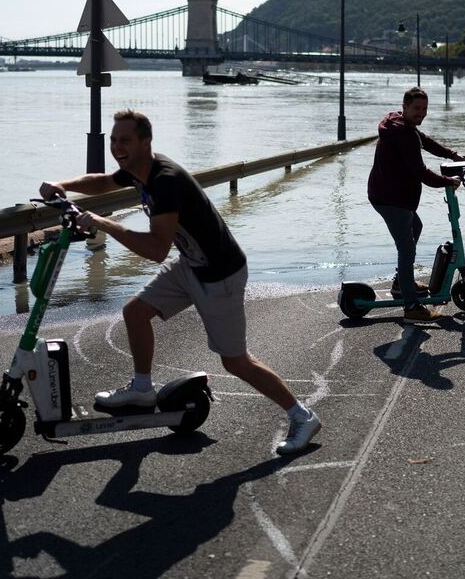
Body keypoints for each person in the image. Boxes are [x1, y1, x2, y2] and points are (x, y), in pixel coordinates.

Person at [38, 110, 321, 456]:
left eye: (125, 140)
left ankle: (302, 415)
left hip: (220, 275)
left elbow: (156, 250)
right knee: (135, 312)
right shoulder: (139, 170)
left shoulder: (165, 181)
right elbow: (103, 182)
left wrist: (103, 224)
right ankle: (143, 389)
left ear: (146, 142)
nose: (116, 147)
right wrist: (63, 185)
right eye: (113, 140)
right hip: (191, 264)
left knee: (236, 362)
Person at [367, 87, 465, 322]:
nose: (421, 113)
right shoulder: (405, 134)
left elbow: (426, 142)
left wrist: (452, 154)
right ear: (405, 106)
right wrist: (448, 181)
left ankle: (402, 283)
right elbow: (420, 172)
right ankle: (411, 307)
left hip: (391, 194)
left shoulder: (401, 124)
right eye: (416, 108)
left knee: (415, 228)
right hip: (392, 199)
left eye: (424, 109)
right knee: (407, 249)